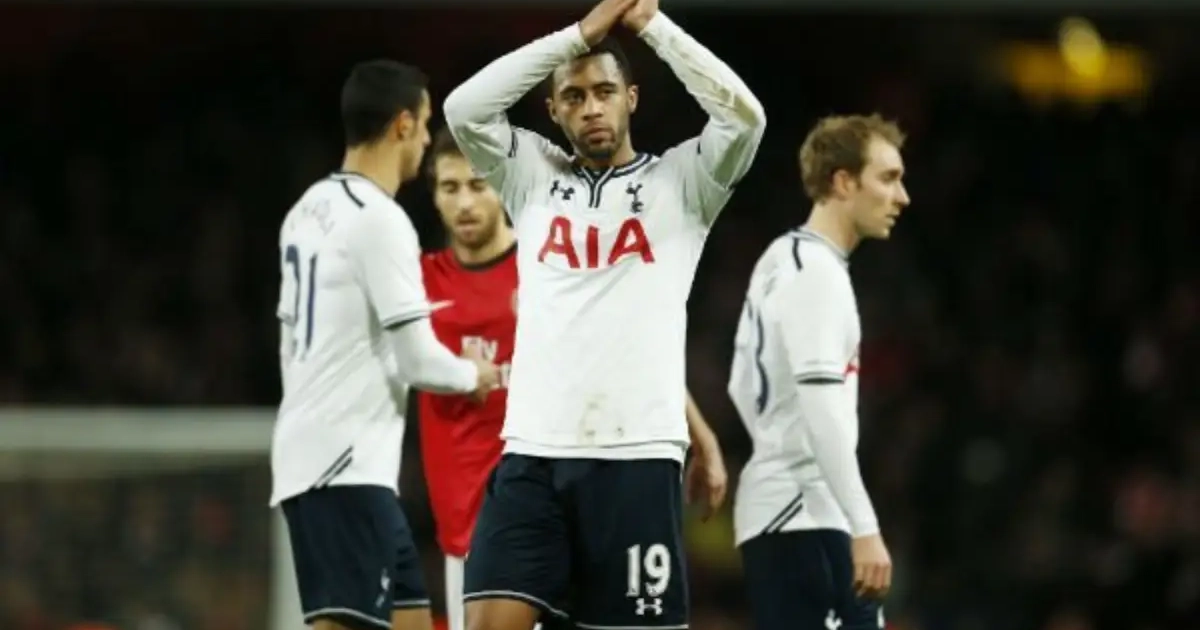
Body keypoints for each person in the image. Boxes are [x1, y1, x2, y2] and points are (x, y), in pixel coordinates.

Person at [441, 0, 764, 627]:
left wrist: (654, 30)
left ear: (631, 99)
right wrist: (577, 37)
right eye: (574, 96)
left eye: (605, 92)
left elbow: (745, 118)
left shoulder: (684, 185)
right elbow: (464, 109)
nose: (591, 107)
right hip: (532, 451)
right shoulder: (530, 177)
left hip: (635, 457)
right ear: (553, 110)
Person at [417, 128, 729, 630]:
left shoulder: (550, 259)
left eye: (477, 184)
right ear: (433, 195)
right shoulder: (419, 285)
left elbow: (629, 347)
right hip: (466, 518)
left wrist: (699, 432)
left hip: (558, 487)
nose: (465, 202)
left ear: (501, 183)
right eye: (449, 188)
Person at [270, 60, 500, 630]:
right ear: (402, 124)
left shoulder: (306, 211)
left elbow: (287, 345)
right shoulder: (379, 220)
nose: (425, 140)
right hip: (342, 469)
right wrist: (473, 374)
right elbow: (416, 359)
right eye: (424, 123)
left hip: (340, 465)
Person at [728, 114, 910, 630]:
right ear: (843, 181)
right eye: (888, 178)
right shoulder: (818, 276)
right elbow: (821, 410)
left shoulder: (781, 258)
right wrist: (864, 526)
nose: (902, 197)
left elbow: (739, 386)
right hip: (803, 513)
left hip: (781, 511)